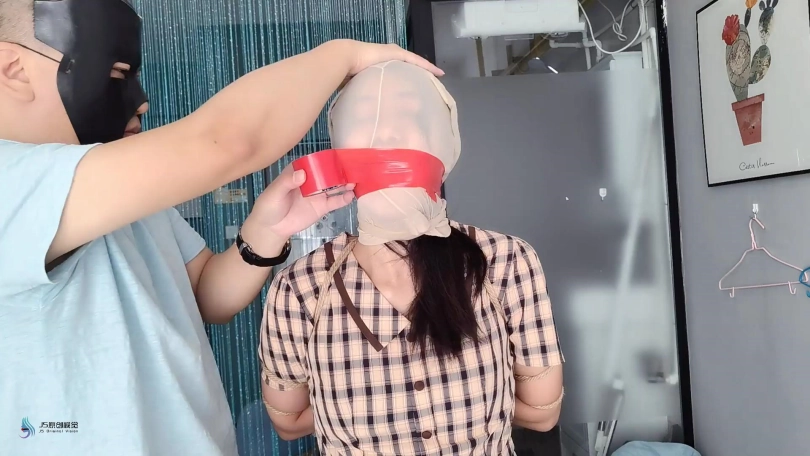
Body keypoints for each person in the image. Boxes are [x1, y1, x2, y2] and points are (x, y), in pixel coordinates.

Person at [0, 0, 441, 454]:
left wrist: (266, 232)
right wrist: (343, 55)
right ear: (13, 69)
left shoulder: (127, 198)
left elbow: (205, 295)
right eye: (115, 74)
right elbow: (231, 141)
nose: (142, 100)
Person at [258, 61, 564, 455]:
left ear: (443, 138)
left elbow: (543, 414)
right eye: (364, 117)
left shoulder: (506, 262)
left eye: (408, 113)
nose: (386, 132)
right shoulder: (299, 289)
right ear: (338, 149)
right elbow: (285, 423)